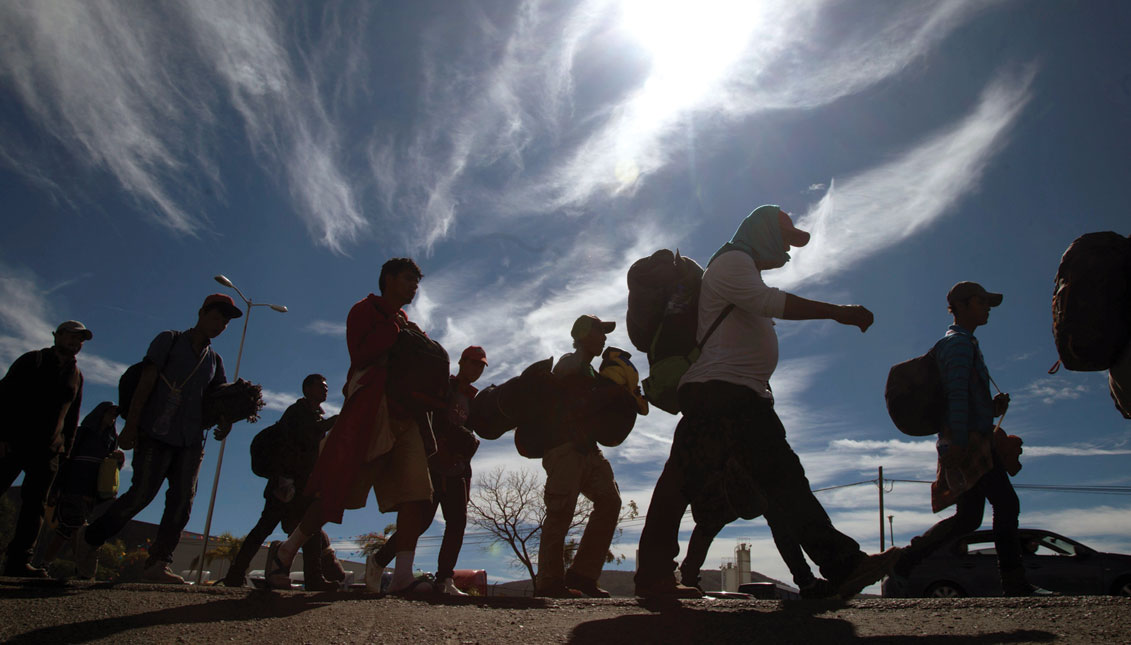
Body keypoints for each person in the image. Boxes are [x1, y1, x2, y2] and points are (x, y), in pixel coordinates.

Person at [634, 204, 902, 599]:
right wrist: (836, 312)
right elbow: (770, 303)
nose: (788, 249)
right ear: (761, 231)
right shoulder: (730, 262)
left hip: (743, 394)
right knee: (682, 482)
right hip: (717, 392)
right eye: (784, 238)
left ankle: (843, 565)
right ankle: (653, 577)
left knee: (783, 482)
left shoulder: (742, 266)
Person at [265, 258, 437, 595]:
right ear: (388, 279)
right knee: (337, 492)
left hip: (406, 416)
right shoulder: (365, 309)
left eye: (416, 282)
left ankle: (402, 575)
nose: (413, 286)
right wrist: (399, 331)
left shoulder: (407, 322)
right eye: (407, 279)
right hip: (372, 413)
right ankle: (284, 553)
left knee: (417, 494)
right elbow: (362, 353)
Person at [889, 282, 1047, 596]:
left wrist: (990, 408)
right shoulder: (959, 344)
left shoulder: (964, 343)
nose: (987, 307)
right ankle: (1014, 582)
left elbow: (963, 396)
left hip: (967, 437)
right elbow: (956, 394)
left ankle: (905, 561)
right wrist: (959, 442)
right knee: (1006, 503)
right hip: (969, 441)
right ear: (961, 305)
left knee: (969, 518)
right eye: (982, 301)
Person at [77, 294, 239, 584]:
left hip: (190, 439)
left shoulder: (215, 360)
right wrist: (132, 425)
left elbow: (218, 398)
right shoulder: (170, 340)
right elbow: (146, 381)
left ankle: (158, 562)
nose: (221, 325)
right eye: (216, 317)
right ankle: (90, 537)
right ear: (201, 313)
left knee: (182, 502)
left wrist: (226, 421)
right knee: (140, 495)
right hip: (155, 433)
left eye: (226, 322)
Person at [370, 346, 486, 596]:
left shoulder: (472, 398)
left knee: (457, 522)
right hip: (433, 462)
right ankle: (379, 560)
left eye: (481, 366)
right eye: (474, 363)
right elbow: (433, 417)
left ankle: (445, 579)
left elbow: (471, 430)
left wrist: (466, 448)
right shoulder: (444, 386)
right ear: (462, 362)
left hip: (458, 468)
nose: (476, 369)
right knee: (420, 521)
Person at [221, 374, 342, 589]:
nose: (325, 390)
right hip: (284, 483)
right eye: (320, 386)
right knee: (265, 528)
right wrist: (331, 422)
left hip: (301, 485)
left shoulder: (313, 416)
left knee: (308, 530)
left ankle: (314, 578)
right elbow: (300, 438)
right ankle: (235, 574)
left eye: (325, 387)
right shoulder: (296, 413)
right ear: (307, 389)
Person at [535, 315, 625, 599]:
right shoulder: (569, 364)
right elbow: (572, 404)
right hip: (563, 449)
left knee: (610, 502)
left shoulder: (591, 372)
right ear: (584, 334)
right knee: (561, 511)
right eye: (600, 332)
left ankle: (583, 575)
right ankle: (549, 582)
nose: (604, 338)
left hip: (588, 449)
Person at [0, 320, 89, 577]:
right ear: (57, 336)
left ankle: (18, 561)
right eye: (71, 336)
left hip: (49, 451)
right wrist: (2, 435)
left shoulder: (77, 376)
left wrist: (65, 454)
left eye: (80, 339)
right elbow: (4, 395)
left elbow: (72, 418)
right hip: (14, 442)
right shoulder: (33, 360)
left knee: (35, 506)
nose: (75, 342)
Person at [34, 402, 123, 576]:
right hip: (75, 485)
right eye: (110, 414)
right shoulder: (83, 433)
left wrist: (118, 461)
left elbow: (110, 468)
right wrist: (57, 486)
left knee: (71, 530)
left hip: (93, 490)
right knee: (74, 527)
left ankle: (54, 564)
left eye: (115, 415)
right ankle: (76, 567)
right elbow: (67, 459)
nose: (112, 418)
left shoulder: (112, 439)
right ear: (100, 413)